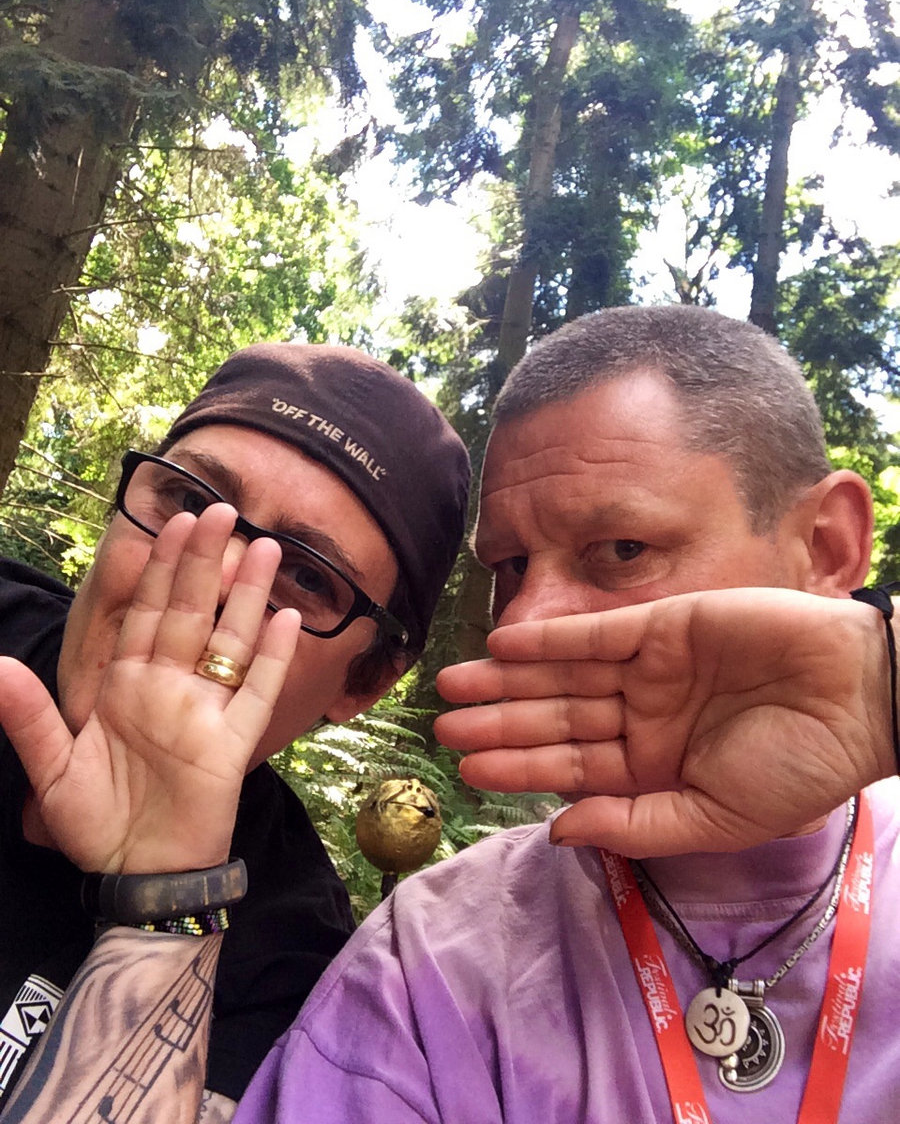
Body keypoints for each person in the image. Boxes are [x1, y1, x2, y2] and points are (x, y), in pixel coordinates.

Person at [3, 306, 899, 1124]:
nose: (523, 626)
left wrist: (880, 694)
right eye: (190, 502)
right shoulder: (427, 966)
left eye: (622, 549)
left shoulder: (290, 956)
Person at [0, 341, 470, 1121]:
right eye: (187, 501)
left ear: (364, 682)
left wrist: (164, 904)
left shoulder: (291, 977)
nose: (216, 576)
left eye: (307, 576)